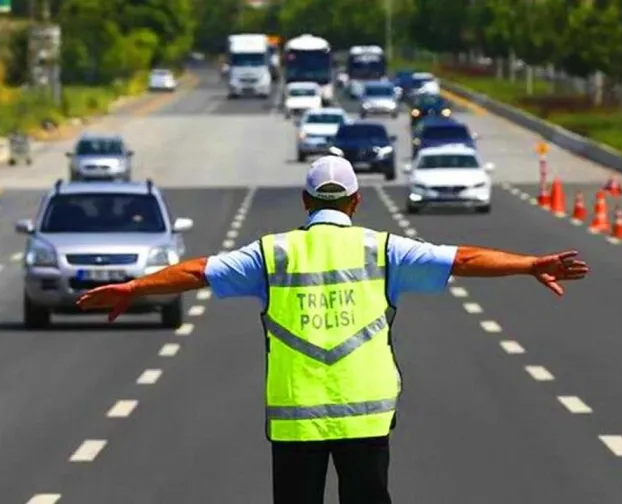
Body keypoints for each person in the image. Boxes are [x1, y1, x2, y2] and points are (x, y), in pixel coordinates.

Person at [76, 155, 589, 504]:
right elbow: (464, 258)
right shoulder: (384, 249)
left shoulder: (271, 254)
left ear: (304, 202)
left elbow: (195, 272)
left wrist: (133, 287)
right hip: (366, 417)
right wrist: (528, 264)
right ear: (356, 202)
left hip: (295, 421)